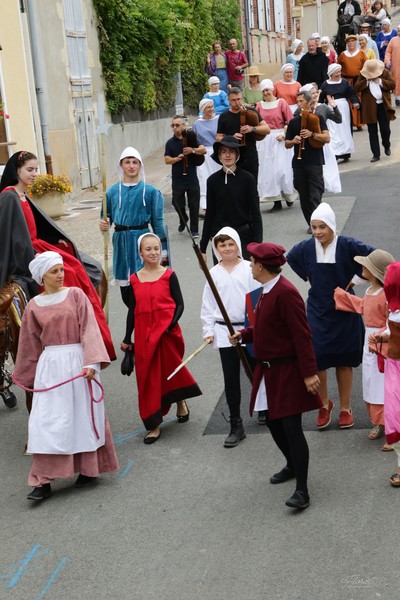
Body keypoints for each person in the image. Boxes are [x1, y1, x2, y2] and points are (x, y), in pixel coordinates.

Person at [12, 251, 119, 501]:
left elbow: (89, 328)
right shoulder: (33, 306)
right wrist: (25, 376)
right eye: (54, 272)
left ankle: (89, 470)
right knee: (47, 422)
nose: (61, 275)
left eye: (61, 270)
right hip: (50, 368)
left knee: (81, 418)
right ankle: (42, 480)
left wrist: (92, 361)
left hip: (79, 364)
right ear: (42, 277)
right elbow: (29, 344)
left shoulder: (76, 295)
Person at [229, 242, 321, 510]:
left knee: (292, 428)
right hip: (267, 370)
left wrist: (308, 373)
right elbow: (265, 327)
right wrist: (244, 335)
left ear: (261, 266)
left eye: (252, 262)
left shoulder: (286, 293)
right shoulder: (265, 291)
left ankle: (302, 491)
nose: (250, 266)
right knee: (271, 421)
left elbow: (302, 336)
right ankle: (292, 464)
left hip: (287, 371)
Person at [0, 151, 115, 361]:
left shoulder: (24, 194)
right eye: (30, 170)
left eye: (36, 169)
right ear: (16, 170)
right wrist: (34, 256)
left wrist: (54, 240)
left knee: (82, 264)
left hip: (37, 245)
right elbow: (13, 236)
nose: (35, 173)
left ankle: (86, 324)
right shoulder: (9, 195)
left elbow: (34, 225)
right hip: (26, 252)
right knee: (68, 272)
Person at [287, 202, 375, 430]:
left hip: (345, 308)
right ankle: (324, 404)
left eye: (322, 227)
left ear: (332, 226)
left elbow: (375, 257)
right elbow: (291, 257)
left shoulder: (347, 244)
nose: (317, 232)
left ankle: (346, 408)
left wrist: (356, 280)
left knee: (344, 360)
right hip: (317, 310)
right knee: (318, 360)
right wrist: (309, 278)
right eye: (314, 227)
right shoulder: (306, 248)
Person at [121, 233, 202, 443]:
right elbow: (132, 310)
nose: (153, 252)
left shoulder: (169, 275)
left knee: (169, 373)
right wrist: (127, 338)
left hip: (167, 334)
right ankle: (153, 423)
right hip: (143, 336)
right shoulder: (134, 279)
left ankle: (180, 401)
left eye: (156, 248)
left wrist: (171, 324)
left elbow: (180, 304)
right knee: (147, 378)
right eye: (148, 249)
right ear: (140, 253)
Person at [201, 227, 259, 447]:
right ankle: (236, 423)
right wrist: (208, 330)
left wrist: (253, 328)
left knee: (256, 370)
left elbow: (256, 299)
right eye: (222, 245)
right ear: (216, 249)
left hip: (247, 329)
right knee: (231, 379)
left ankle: (264, 407)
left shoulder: (248, 269)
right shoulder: (213, 273)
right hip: (225, 333)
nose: (227, 248)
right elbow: (208, 305)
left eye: (230, 244)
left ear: (238, 245)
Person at [334, 249, 394, 444]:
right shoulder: (370, 291)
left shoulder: (386, 295)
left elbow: (391, 321)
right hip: (369, 343)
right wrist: (343, 297)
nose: (361, 268)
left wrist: (380, 337)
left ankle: (393, 429)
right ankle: (380, 422)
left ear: (375, 271)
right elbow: (363, 307)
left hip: (382, 344)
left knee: (385, 386)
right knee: (370, 383)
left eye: (365, 265)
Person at [100, 147, 167, 307]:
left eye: (135, 162)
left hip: (142, 240)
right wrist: (103, 224)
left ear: (140, 165)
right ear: (121, 165)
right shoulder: (111, 192)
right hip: (121, 241)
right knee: (127, 293)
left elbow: (157, 222)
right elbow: (105, 216)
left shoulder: (150, 192)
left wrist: (163, 250)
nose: (131, 166)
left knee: (144, 289)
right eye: (127, 162)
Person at [199, 137, 263, 262]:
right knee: (222, 278)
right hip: (220, 238)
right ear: (219, 155)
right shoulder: (212, 181)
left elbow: (255, 212)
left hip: (243, 236)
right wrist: (202, 248)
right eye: (223, 151)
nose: (227, 155)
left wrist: (257, 246)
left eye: (231, 151)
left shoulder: (247, 179)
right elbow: (210, 214)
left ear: (237, 155)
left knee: (246, 277)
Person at [369, 262, 400, 485]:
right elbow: (393, 330)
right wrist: (382, 336)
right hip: (394, 366)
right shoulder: (395, 308)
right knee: (395, 416)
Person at [285, 91, 330, 232]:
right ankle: (311, 223)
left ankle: (319, 224)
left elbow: (327, 138)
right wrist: (294, 140)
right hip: (299, 164)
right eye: (297, 101)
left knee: (315, 195)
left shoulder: (318, 118)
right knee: (304, 195)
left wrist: (312, 134)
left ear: (309, 102)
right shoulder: (293, 122)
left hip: (315, 162)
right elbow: (287, 143)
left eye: (301, 101)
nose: (298, 104)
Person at [255, 79, 296, 211]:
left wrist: (284, 135)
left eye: (268, 90)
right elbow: (256, 123)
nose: (266, 93)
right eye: (263, 91)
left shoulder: (281, 103)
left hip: (279, 138)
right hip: (265, 140)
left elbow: (290, 121)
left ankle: (288, 195)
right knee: (268, 171)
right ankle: (276, 199)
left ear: (272, 90)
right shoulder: (259, 106)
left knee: (282, 170)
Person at [164, 115, 206, 238]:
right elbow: (167, 160)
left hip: (192, 177)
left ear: (184, 126)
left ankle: (194, 230)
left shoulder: (191, 138)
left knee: (194, 204)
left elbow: (203, 150)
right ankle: (183, 218)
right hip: (178, 179)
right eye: (173, 125)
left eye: (177, 125)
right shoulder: (170, 143)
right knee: (177, 203)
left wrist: (192, 150)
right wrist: (177, 158)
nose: (175, 128)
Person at [216, 87, 270, 183]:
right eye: (233, 100)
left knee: (252, 187)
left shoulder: (251, 111)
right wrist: (230, 138)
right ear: (228, 100)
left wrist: (252, 129)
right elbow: (218, 137)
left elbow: (267, 129)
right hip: (233, 158)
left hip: (250, 156)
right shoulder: (224, 116)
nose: (237, 102)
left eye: (239, 99)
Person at [299, 83, 342, 194]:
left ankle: (321, 188)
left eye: (315, 92)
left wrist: (334, 106)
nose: (314, 95)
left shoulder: (323, 107)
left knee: (327, 169)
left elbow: (338, 119)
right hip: (308, 144)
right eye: (311, 93)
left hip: (322, 142)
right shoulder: (300, 111)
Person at [354, 59, 396, 162]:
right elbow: (356, 87)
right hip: (369, 107)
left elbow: (392, 84)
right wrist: (367, 81)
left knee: (385, 129)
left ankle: (386, 145)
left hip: (383, 105)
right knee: (372, 131)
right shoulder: (363, 75)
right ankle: (376, 154)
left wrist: (381, 81)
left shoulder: (385, 72)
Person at [320, 63, 360, 162]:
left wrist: (355, 103)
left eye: (339, 71)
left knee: (344, 129)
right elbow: (321, 99)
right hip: (331, 109)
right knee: (333, 131)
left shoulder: (345, 82)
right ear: (331, 74)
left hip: (343, 108)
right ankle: (335, 152)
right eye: (336, 72)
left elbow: (352, 94)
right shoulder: (325, 84)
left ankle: (346, 153)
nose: (339, 74)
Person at [192, 99, 220, 216]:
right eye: (208, 107)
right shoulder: (197, 124)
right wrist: (198, 148)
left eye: (212, 106)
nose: (211, 109)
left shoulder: (218, 119)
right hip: (204, 153)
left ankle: (221, 205)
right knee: (204, 179)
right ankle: (206, 207)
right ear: (203, 109)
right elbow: (194, 141)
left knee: (218, 177)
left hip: (217, 151)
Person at [338, 34, 366, 130]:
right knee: (348, 101)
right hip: (347, 81)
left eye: (352, 41)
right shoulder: (343, 54)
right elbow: (338, 67)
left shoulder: (361, 53)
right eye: (349, 42)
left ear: (355, 43)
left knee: (358, 100)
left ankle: (359, 123)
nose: (350, 43)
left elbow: (366, 66)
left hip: (358, 80)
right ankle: (350, 122)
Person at [385, 24, 400, 105]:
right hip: (396, 66)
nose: (399, 32)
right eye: (398, 30)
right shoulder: (393, 40)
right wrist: (387, 60)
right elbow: (388, 52)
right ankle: (397, 98)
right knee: (396, 81)